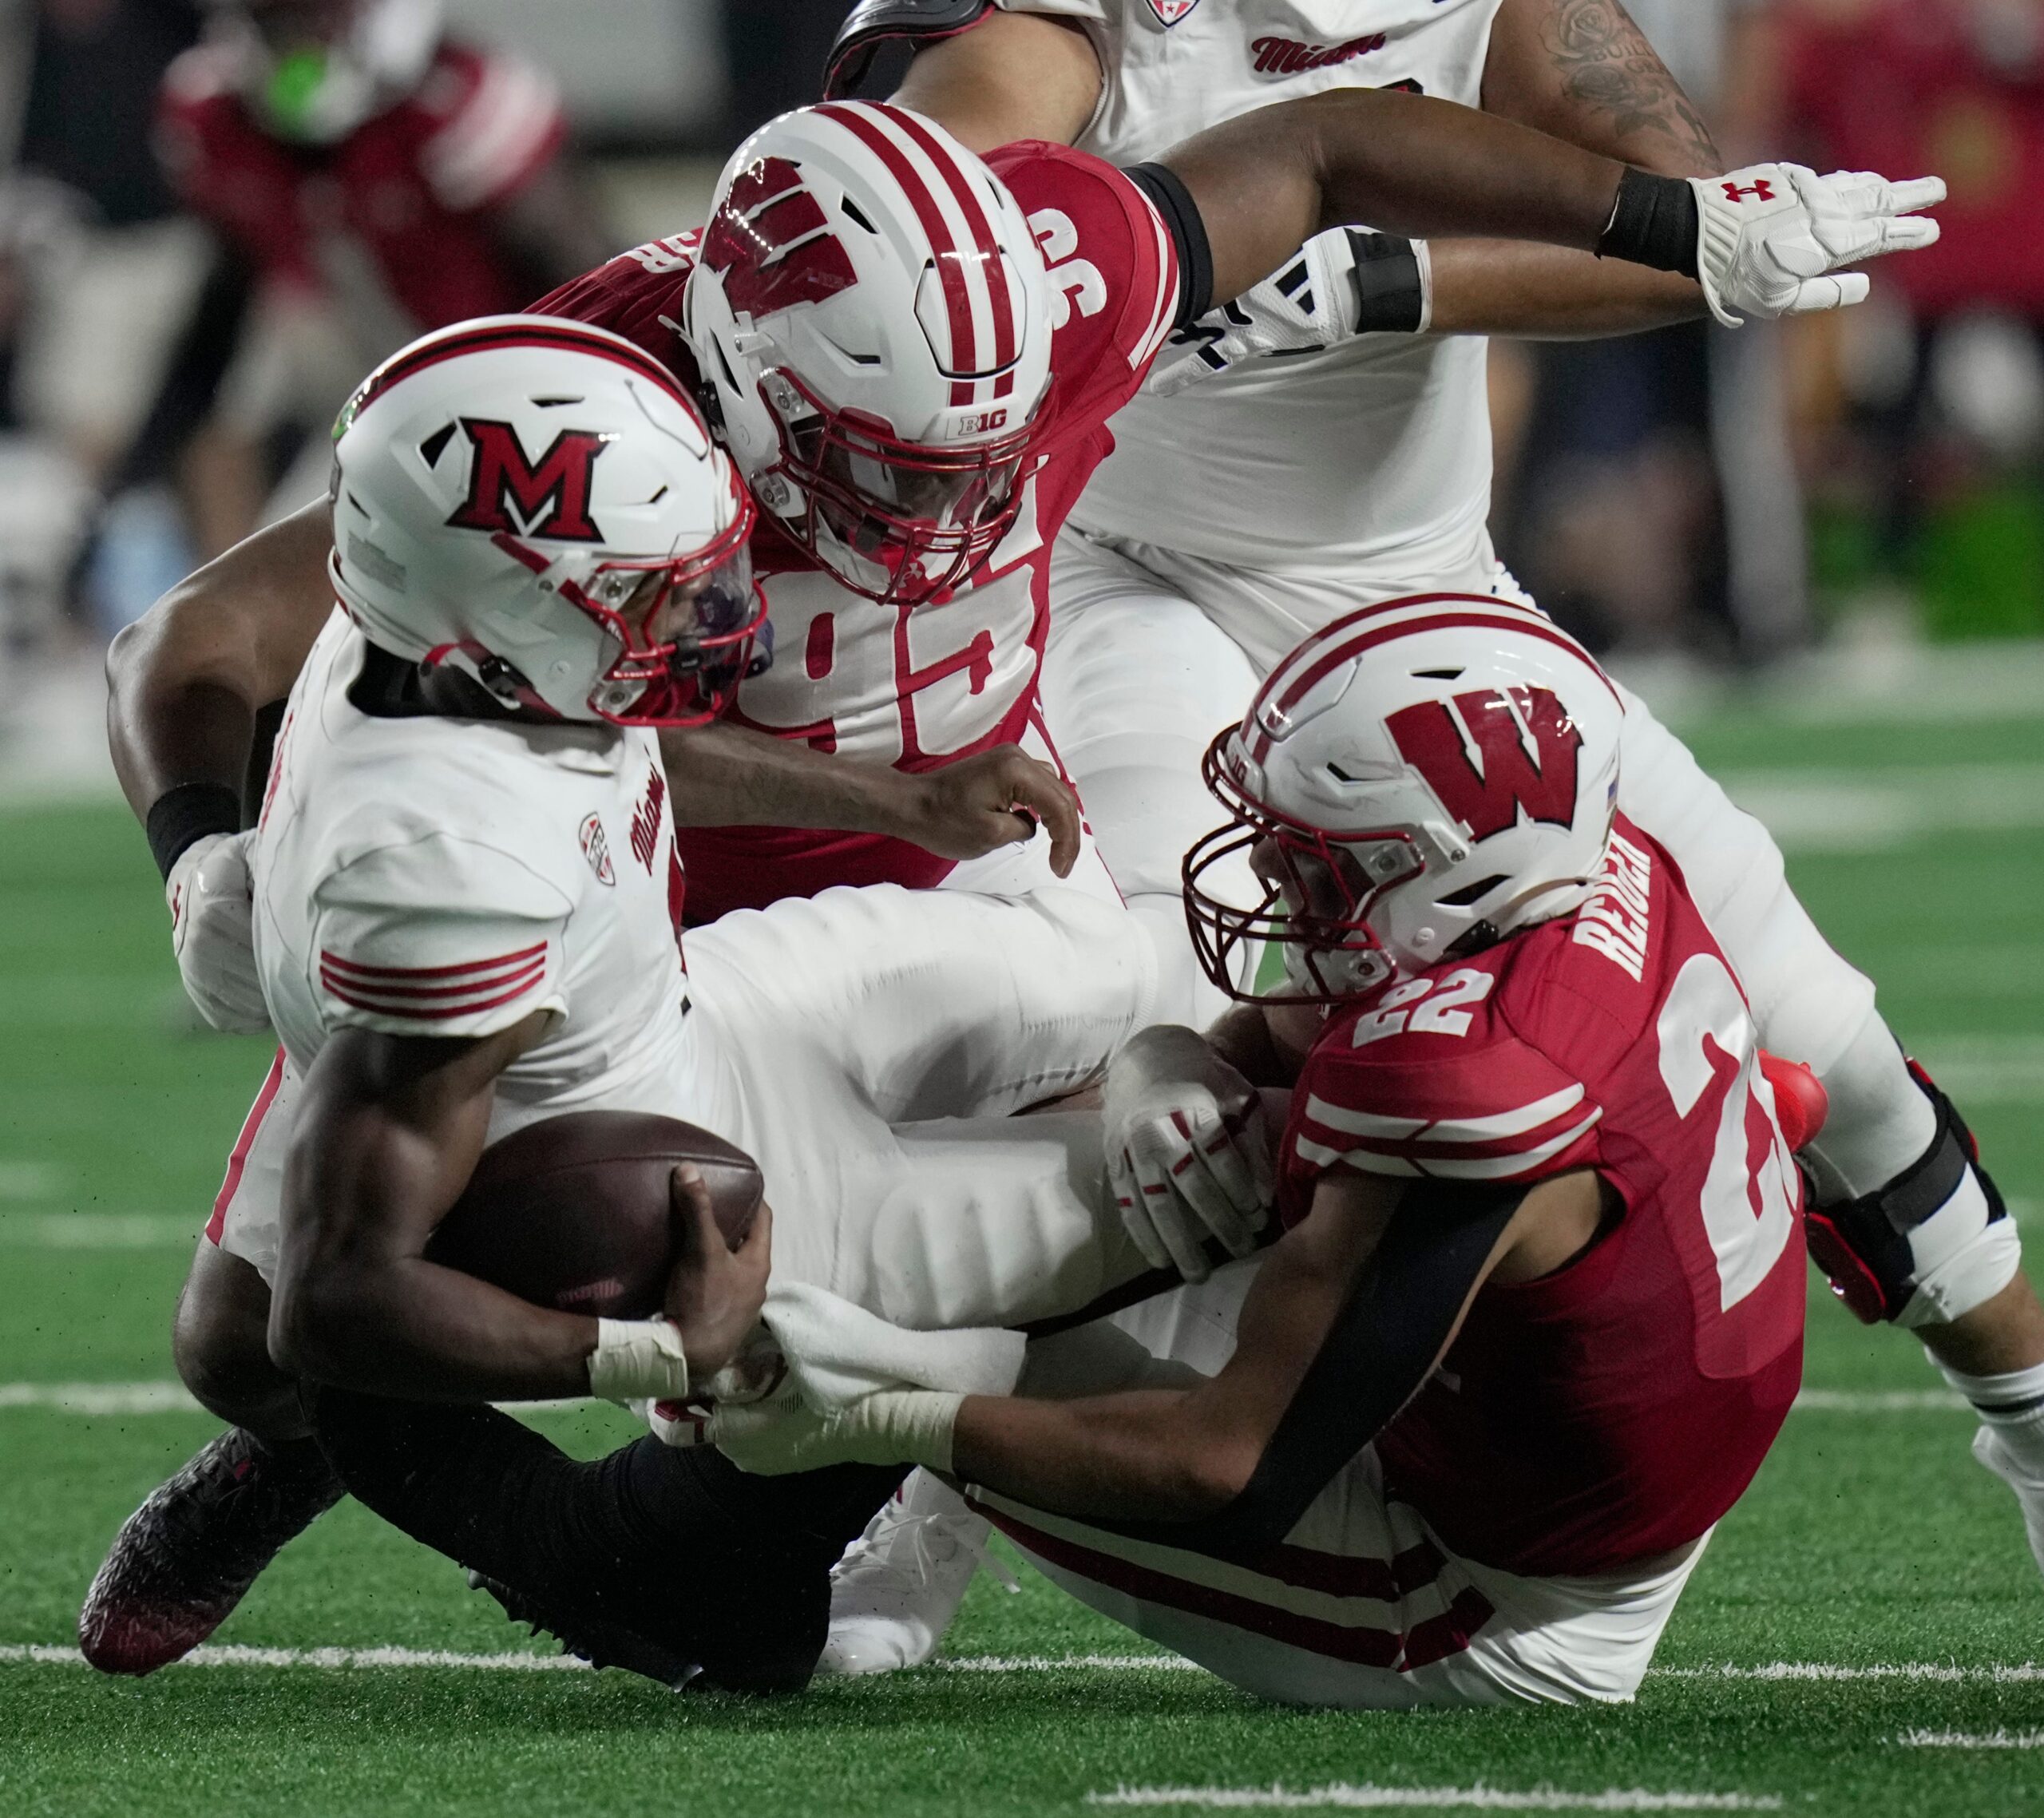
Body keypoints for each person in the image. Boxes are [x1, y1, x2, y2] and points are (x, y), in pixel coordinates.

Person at [93, 90, 1936, 1682]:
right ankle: (347, 1444)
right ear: (737, 376)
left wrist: (1667, 218)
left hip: (939, 830)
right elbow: (203, 634)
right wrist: (208, 849)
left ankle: (876, 1482)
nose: (952, 513)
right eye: (890, 471)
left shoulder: (1045, 284)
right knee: (268, 1343)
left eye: (984, 455)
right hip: (610, 876)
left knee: (1092, 1123)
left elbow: (1316, 142)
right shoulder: (597, 409)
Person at [811, 0, 2044, 1662]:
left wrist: (1387, 279)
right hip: (1121, 569)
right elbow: (944, 165)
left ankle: (2030, 1417)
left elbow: (1680, 225)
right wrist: (1042, 230)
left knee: (1809, 1007)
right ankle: (936, 1485)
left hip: (1414, 577)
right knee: (1140, 1012)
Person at [80, 315, 1161, 1681]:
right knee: (1125, 1218)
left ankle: (429, 1442)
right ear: (511, 612)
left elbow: (608, 740)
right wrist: (651, 1351)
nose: (720, 613)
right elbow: (339, 1303)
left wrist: (901, 803)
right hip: (601, 1111)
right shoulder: (445, 864)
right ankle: (556, 1513)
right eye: (660, 592)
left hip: (661, 1000)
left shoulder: (450, 634)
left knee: (1104, 978)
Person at [710, 596, 1824, 1709]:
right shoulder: (1564, 873)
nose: (1281, 891)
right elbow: (1283, 1031)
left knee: (922, 1330)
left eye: (1324, 869)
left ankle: (925, 1514)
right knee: (1114, 1179)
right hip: (1555, 1436)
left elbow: (1225, 1472)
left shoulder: (1479, 1098)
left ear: (1455, 880)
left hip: (1494, 1603)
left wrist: (895, 1411)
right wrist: (1164, 1063)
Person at [121, 0, 612, 558]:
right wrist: (137, 471)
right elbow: (220, 314)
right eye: (277, 19)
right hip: (358, 407)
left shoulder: (459, 100)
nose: (298, 43)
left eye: (316, 16)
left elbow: (596, 283)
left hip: (511, 403)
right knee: (278, 556)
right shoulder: (215, 117)